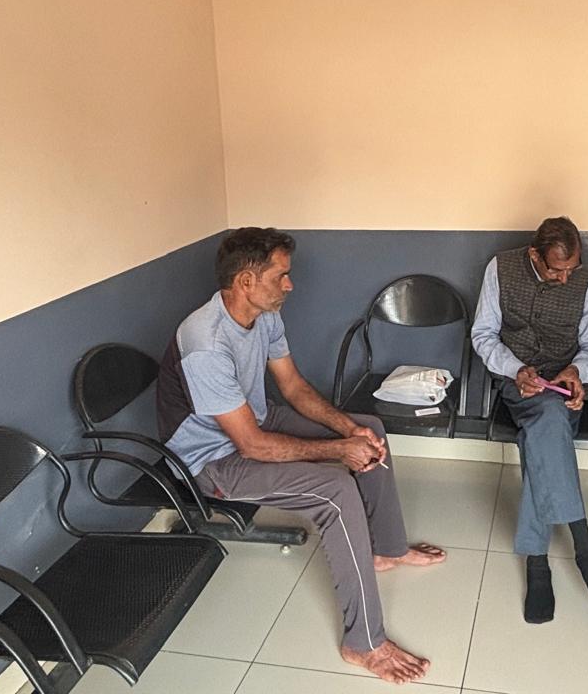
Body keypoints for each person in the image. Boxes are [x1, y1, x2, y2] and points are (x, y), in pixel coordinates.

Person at [156, 227, 446, 684]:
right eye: (281, 276)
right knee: (335, 490)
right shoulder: (205, 342)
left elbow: (292, 387)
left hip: (253, 420)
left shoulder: (264, 314)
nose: (290, 285)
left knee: (369, 428)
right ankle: (363, 643)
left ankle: (386, 550)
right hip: (211, 459)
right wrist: (339, 451)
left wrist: (349, 431)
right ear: (246, 281)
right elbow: (251, 446)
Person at [472, 216, 588, 624]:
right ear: (534, 256)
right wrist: (515, 369)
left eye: (571, 269)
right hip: (518, 385)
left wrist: (577, 371)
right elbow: (483, 335)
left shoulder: (584, 282)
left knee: (542, 429)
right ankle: (584, 545)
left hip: (564, 389)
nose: (565, 279)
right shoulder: (500, 269)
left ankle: (537, 562)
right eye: (556, 270)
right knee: (546, 422)